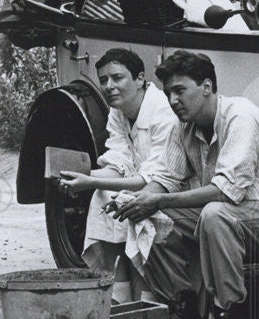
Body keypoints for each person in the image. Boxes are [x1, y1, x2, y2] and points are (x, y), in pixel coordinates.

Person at [115, 50, 259, 319]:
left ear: (206, 86)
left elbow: (225, 191)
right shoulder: (184, 125)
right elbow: (165, 178)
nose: (173, 101)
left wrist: (159, 200)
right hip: (229, 211)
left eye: (180, 90)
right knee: (148, 214)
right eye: (168, 93)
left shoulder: (240, 116)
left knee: (214, 213)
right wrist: (139, 200)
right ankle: (184, 307)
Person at [57, 48, 177, 303]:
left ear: (140, 79)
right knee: (104, 195)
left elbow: (152, 178)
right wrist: (80, 176)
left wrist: (91, 181)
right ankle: (119, 288)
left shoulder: (162, 111)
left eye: (117, 78)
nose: (109, 86)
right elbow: (119, 162)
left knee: (126, 202)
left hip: (170, 187)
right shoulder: (118, 112)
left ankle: (147, 298)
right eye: (103, 80)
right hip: (142, 182)